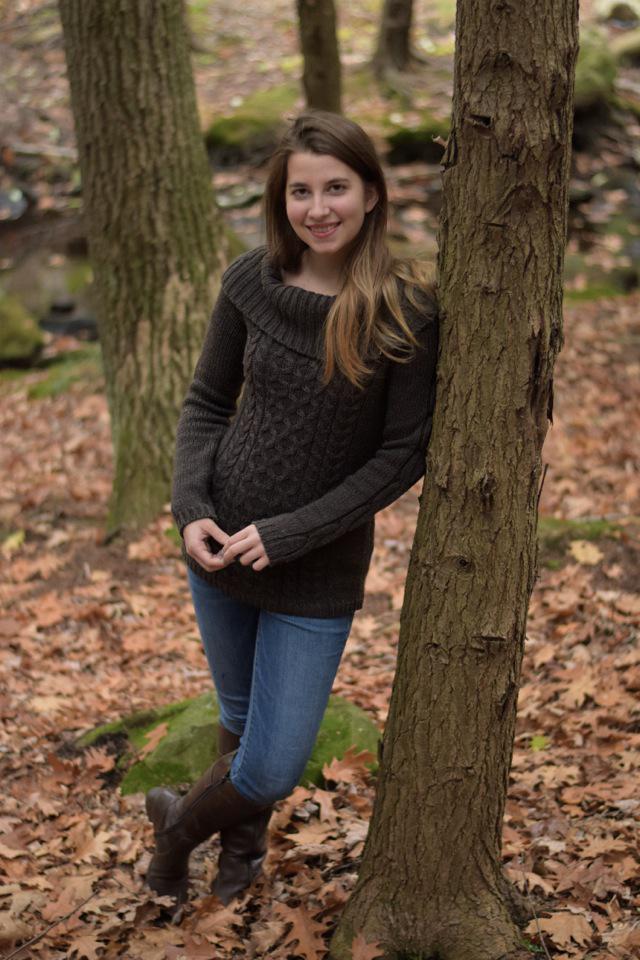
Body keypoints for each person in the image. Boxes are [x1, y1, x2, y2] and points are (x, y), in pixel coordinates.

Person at [145, 110, 440, 907]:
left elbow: (402, 454)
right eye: (300, 192)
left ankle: (175, 830)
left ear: (371, 194)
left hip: (317, 569)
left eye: (335, 188)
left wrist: (292, 533)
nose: (318, 208)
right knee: (240, 718)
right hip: (218, 549)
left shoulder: (405, 312)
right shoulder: (252, 282)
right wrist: (190, 508)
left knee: (273, 762)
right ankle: (240, 857)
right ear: (281, 200)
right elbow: (207, 403)